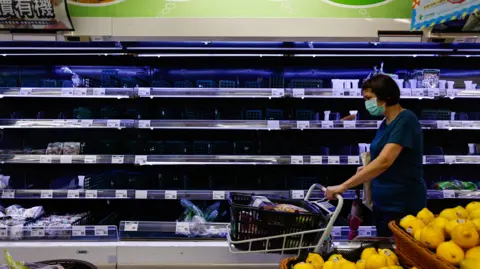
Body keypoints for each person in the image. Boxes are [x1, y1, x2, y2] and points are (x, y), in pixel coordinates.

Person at [325, 74, 427, 237]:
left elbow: (384, 161)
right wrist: (366, 169)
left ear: (386, 96)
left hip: (402, 205)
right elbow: (381, 160)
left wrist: (343, 186)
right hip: (383, 203)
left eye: (369, 98)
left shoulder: (406, 120)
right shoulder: (386, 122)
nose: (367, 103)